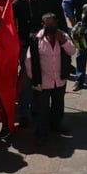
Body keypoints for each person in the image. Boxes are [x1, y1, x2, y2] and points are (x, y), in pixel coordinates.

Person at [25, 13, 75, 145]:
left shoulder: (63, 36)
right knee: (42, 109)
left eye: (53, 24)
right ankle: (42, 133)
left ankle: (56, 125)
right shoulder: (37, 39)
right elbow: (29, 61)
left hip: (59, 79)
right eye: (48, 25)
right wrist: (34, 80)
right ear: (43, 25)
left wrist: (63, 41)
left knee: (58, 105)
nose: (51, 27)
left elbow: (72, 51)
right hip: (43, 81)